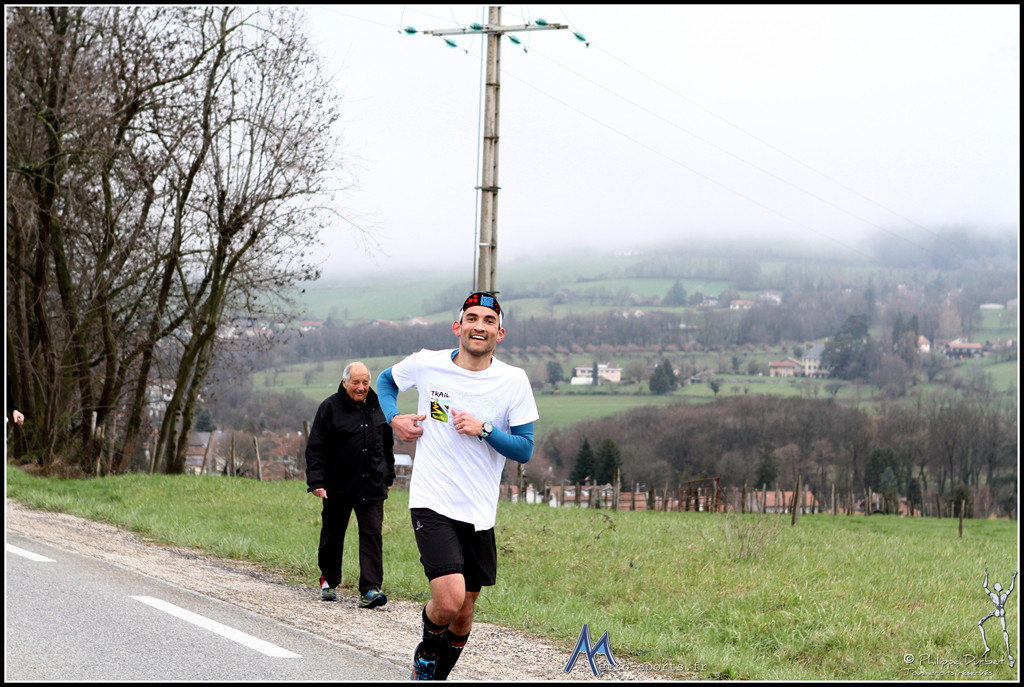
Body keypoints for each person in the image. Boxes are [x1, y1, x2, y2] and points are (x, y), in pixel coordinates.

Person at [377, 292, 539, 680]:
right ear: (457, 326)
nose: (479, 326)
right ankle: (425, 653)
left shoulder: (513, 380)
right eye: (472, 318)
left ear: (500, 333)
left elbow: (525, 449)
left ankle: (434, 676)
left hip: (479, 511)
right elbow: (385, 381)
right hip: (432, 500)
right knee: (448, 601)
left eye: (488, 321)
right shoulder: (427, 363)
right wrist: (395, 418)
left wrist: (486, 430)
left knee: (464, 613)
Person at [305, 361, 395, 609]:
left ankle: (370, 589)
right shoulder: (329, 408)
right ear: (345, 383)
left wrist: (389, 477)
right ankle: (329, 581)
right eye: (356, 382)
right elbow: (315, 448)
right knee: (332, 535)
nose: (361, 387)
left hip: (372, 485)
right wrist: (316, 481)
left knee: (372, 536)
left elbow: (387, 446)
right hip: (338, 486)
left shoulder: (380, 407)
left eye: (365, 382)